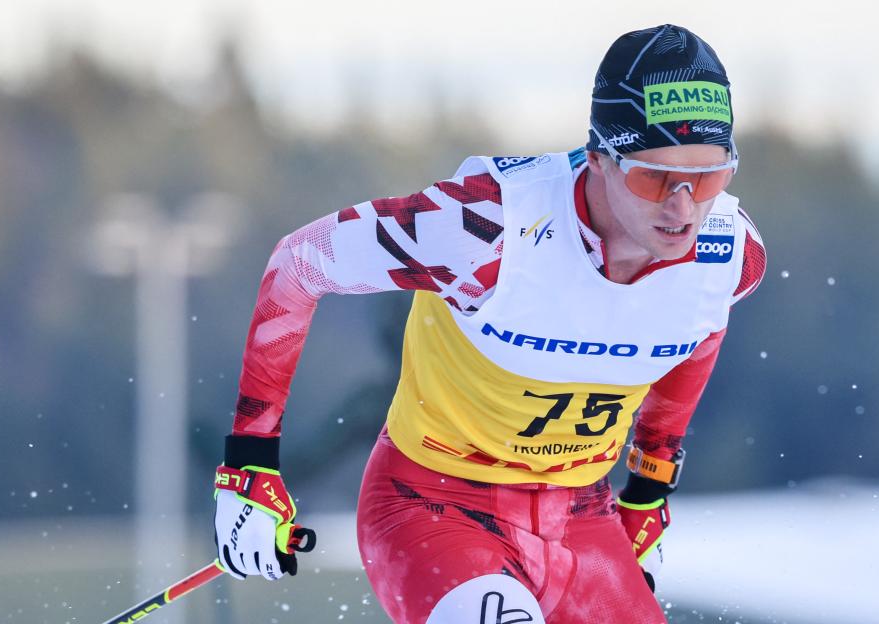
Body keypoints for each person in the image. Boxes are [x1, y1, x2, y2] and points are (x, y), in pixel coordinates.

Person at [212, 23, 766, 623]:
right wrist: (249, 464)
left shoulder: (729, 255)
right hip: (433, 506)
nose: (683, 208)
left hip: (580, 520)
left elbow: (699, 335)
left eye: (708, 178)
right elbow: (300, 263)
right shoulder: (484, 227)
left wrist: (650, 490)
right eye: (654, 177)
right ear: (600, 157)